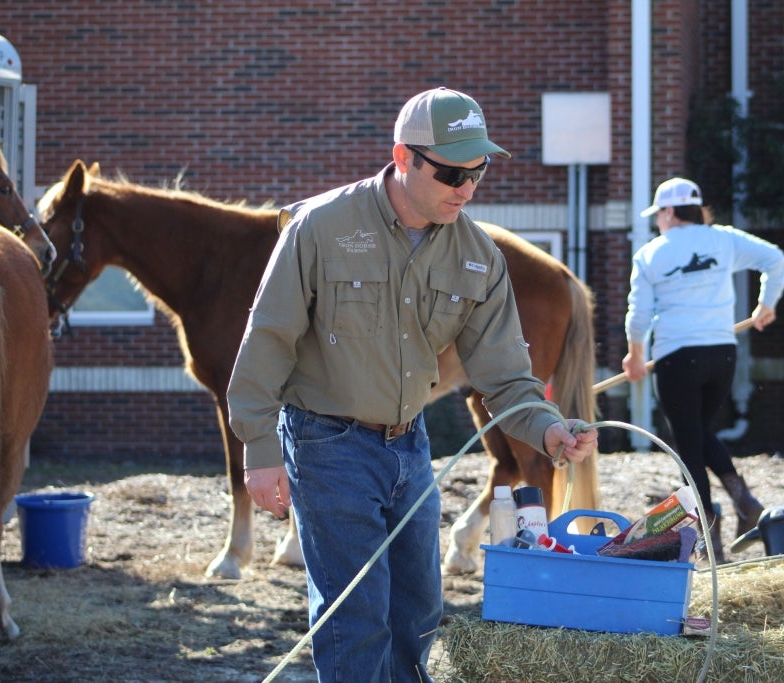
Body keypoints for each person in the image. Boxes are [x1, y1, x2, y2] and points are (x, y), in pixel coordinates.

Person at [226, 86, 597, 683]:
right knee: (357, 614)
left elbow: (506, 375)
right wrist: (259, 449)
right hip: (327, 444)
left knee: (420, 612)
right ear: (404, 157)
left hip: (410, 446)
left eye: (478, 171)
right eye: (453, 171)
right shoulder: (318, 227)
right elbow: (267, 341)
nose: (467, 188)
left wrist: (549, 429)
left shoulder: (479, 256)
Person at [621, 177, 784, 563]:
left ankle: (709, 536)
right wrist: (767, 304)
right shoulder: (723, 240)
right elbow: (774, 258)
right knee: (696, 432)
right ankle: (744, 501)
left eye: (658, 216)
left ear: (667, 212)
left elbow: (639, 313)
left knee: (687, 446)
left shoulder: (652, 253)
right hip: (722, 355)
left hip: (677, 357)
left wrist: (633, 354)